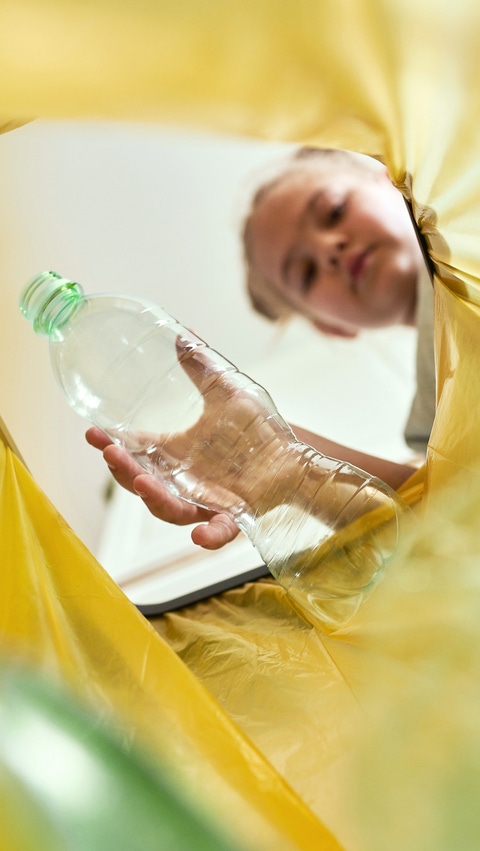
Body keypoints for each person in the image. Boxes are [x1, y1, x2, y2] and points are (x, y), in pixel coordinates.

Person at [86, 146, 435, 550]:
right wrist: (285, 460)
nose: (328, 250)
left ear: (388, 179)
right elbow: (446, 520)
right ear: (332, 327)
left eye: (334, 211)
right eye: (305, 274)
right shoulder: (432, 416)